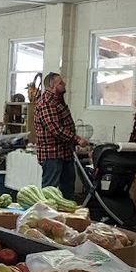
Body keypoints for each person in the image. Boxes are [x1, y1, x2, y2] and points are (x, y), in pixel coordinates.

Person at [33, 72, 88, 200]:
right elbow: (55, 129)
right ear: (52, 85)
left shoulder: (57, 101)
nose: (64, 84)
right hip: (52, 154)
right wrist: (76, 139)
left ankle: (66, 211)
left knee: (68, 190)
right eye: (60, 83)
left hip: (64, 153)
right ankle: (46, 212)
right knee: (49, 190)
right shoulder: (47, 103)